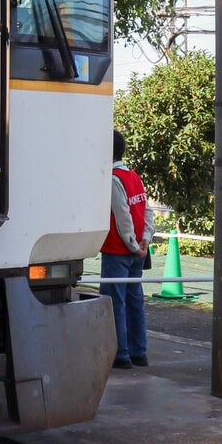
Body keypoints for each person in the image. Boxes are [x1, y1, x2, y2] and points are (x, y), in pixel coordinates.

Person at [102, 130, 154, 369]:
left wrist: (134, 245)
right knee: (135, 300)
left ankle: (121, 354)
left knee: (116, 302)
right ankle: (139, 352)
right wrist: (145, 241)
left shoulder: (111, 179)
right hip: (137, 251)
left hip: (118, 250)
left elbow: (122, 217)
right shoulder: (134, 176)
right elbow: (147, 211)